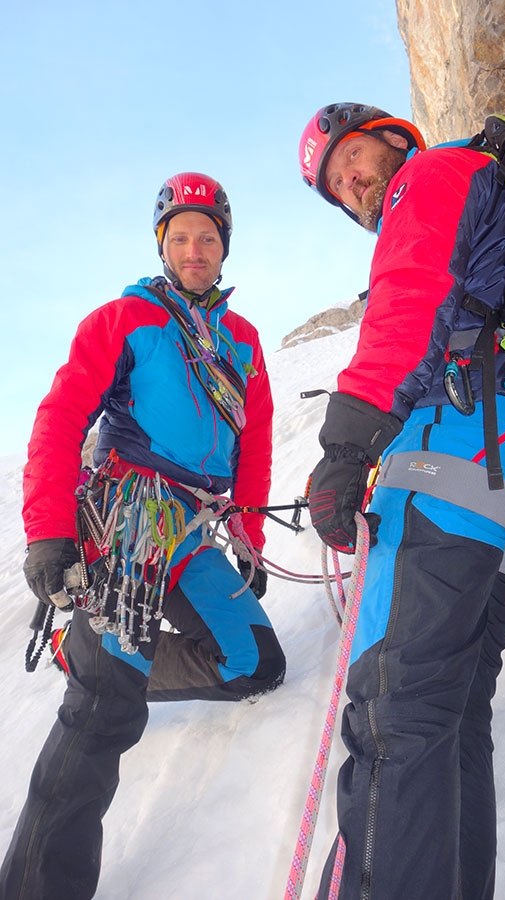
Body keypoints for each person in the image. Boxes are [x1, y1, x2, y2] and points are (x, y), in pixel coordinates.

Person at [298, 103, 505, 899]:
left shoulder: (432, 174)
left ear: (393, 137)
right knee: (451, 718)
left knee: (394, 716)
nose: (350, 183)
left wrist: (347, 446)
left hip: (451, 464)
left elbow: (410, 300)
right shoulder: (490, 185)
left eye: (351, 157)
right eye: (336, 186)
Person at [0, 172, 286, 900]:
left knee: (255, 662)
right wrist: (48, 532)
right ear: (163, 245)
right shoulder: (125, 318)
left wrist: (246, 537)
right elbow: (62, 417)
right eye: (181, 237)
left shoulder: (243, 340)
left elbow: (252, 444)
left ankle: (95, 659)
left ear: (225, 248)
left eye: (208, 237)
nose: (195, 249)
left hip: (192, 526)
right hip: (129, 517)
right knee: (102, 714)